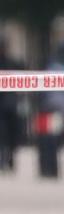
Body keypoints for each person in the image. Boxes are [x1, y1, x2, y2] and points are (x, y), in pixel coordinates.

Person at [0, 38, 23, 171]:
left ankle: (9, 159)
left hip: (10, 105)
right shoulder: (11, 62)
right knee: (5, 135)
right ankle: (5, 159)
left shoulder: (11, 62)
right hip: (7, 105)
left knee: (11, 135)